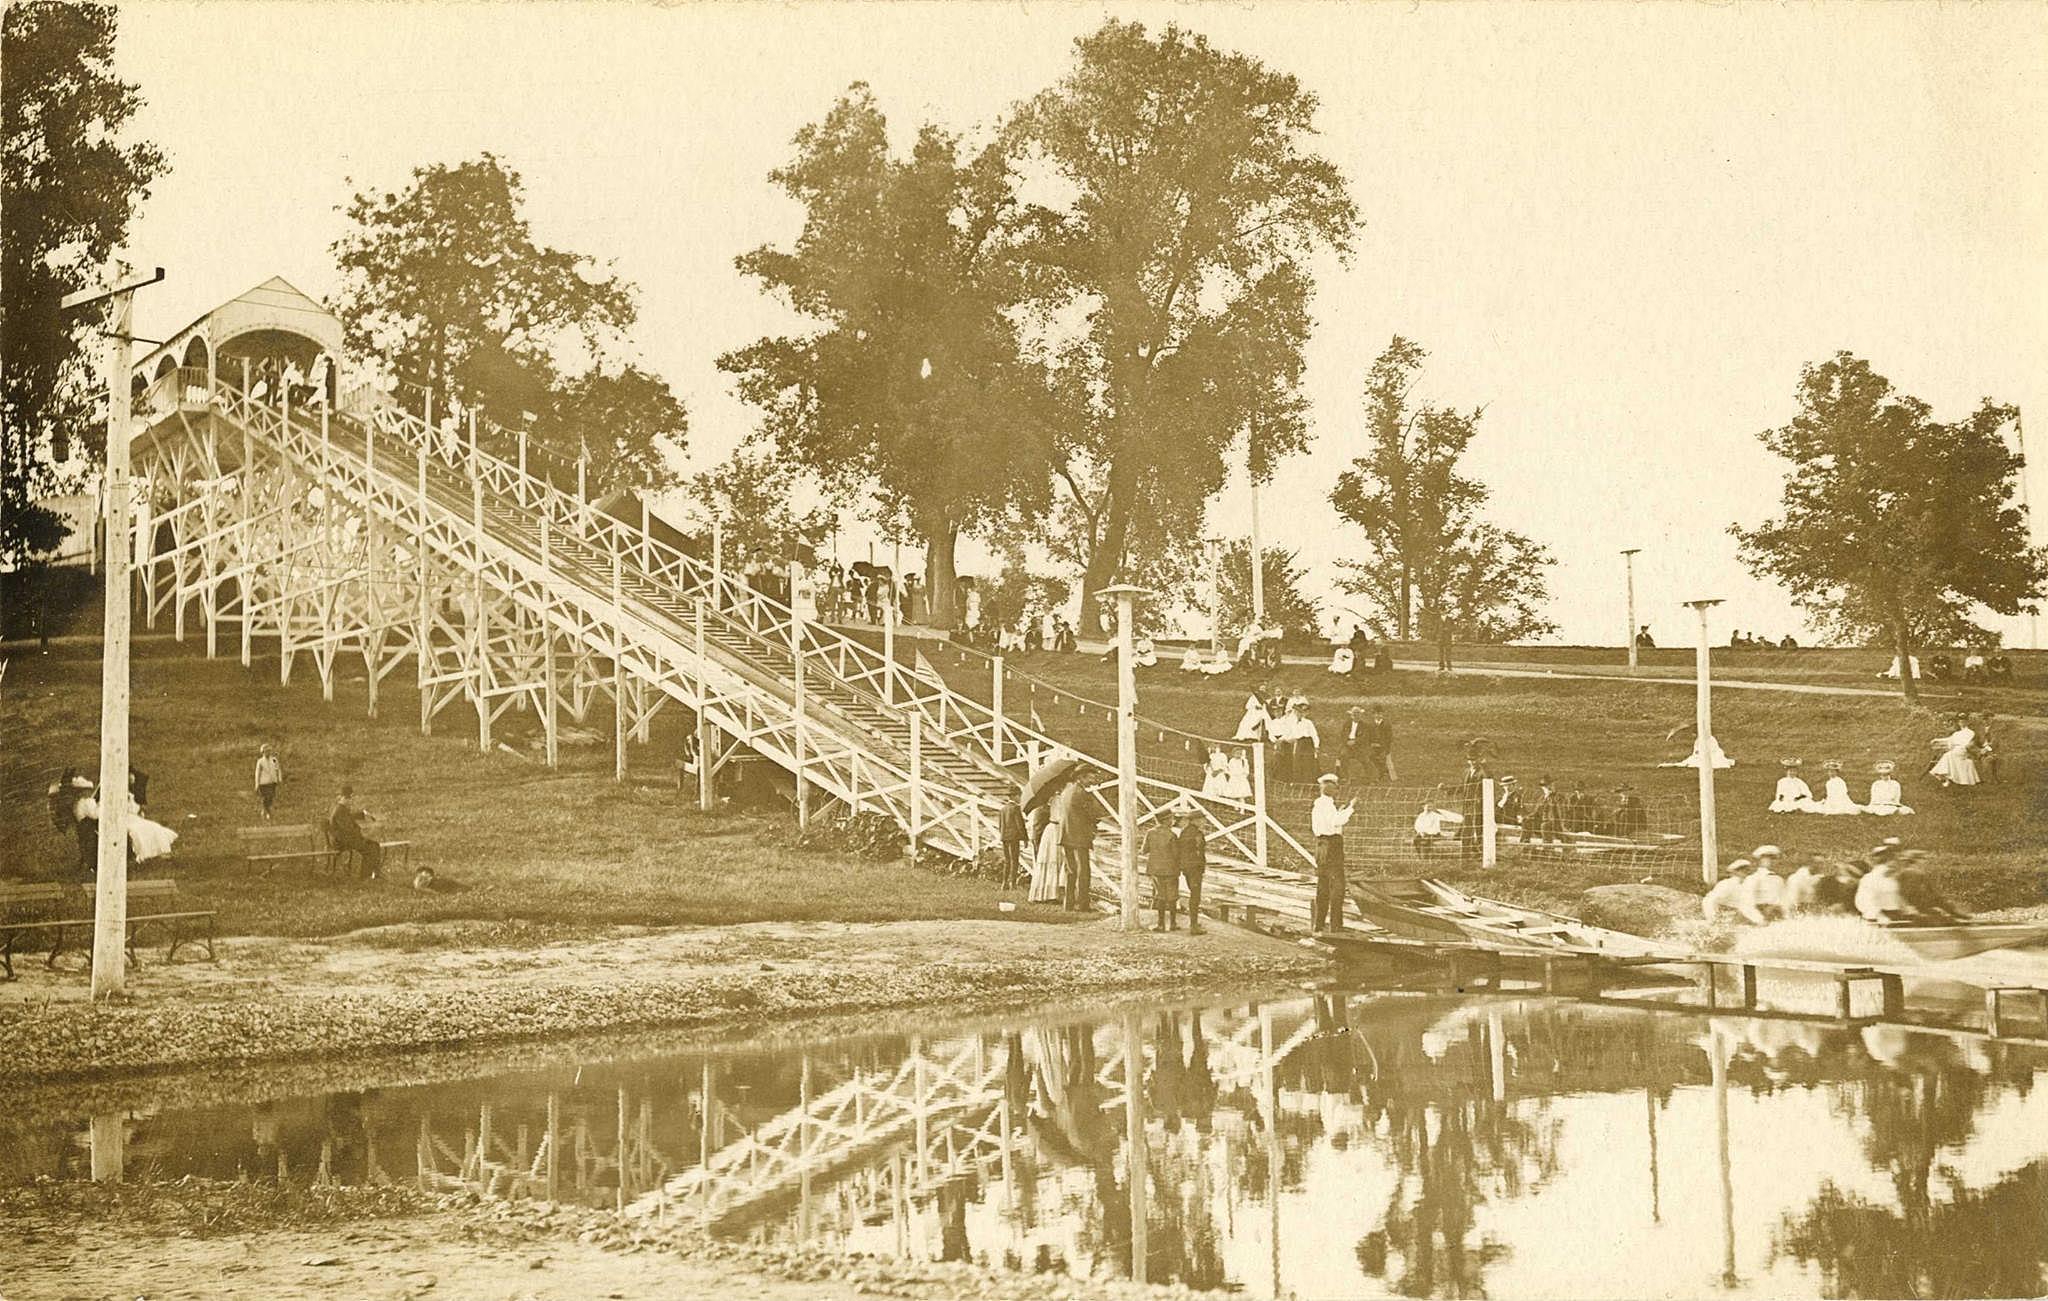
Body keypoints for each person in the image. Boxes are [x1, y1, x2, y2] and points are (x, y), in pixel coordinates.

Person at [1309, 774, 1354, 933]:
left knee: (1323, 885)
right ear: (1329, 788)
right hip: (1332, 846)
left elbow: (1329, 822)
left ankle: (1319, 924)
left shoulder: (1319, 805)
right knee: (1337, 885)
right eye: (1335, 787)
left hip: (1321, 845)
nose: (1337, 790)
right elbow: (1336, 823)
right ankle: (1336, 926)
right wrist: (1350, 809)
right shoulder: (1327, 805)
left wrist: (1340, 812)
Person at [1054, 777, 1097, 911]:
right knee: (1083, 870)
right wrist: (1094, 822)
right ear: (1081, 777)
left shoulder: (1066, 791)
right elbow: (1091, 814)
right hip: (1079, 836)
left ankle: (1068, 904)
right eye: (1089, 777)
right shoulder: (1081, 793)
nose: (1091, 780)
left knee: (1070, 870)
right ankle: (1083, 904)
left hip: (1066, 835)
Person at [329, 783, 384, 880]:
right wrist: (361, 834)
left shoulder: (343, 809)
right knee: (369, 849)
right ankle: (364, 877)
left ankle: (375, 875)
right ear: (342, 798)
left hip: (348, 839)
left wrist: (363, 814)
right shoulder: (339, 810)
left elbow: (350, 817)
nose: (349, 800)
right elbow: (348, 829)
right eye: (348, 798)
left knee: (375, 845)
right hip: (342, 841)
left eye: (350, 798)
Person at [1171, 802, 1207, 935]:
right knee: (1195, 896)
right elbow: (1198, 851)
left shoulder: (1185, 832)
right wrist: (1200, 866)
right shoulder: (1196, 833)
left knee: (1194, 895)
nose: (1204, 821)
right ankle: (1193, 926)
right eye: (1202, 819)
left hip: (1187, 868)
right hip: (1194, 868)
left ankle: (1194, 923)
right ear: (1195, 820)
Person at [1143, 812, 1182, 932]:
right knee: (1172, 896)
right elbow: (1176, 854)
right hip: (1170, 869)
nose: (1173, 821)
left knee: (1160, 896)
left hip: (1156, 869)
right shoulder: (1172, 835)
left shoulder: (1150, 833)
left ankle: (1160, 924)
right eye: (1171, 819)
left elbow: (1144, 850)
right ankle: (1173, 923)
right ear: (1166, 820)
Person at [1027, 795, 1064, 904]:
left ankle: (1046, 893)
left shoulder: (1052, 799)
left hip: (1051, 830)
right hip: (1055, 831)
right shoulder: (1058, 799)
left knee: (1050, 861)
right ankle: (1050, 895)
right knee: (1052, 861)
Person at [1928, 716, 1980, 788]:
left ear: (1968, 722)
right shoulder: (1957, 733)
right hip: (1956, 749)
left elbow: (1967, 744)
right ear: (1958, 723)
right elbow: (1949, 740)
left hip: (1963, 750)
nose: (1962, 723)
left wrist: (1961, 747)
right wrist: (1937, 740)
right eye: (1960, 721)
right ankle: (1946, 777)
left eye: (1964, 721)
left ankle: (1946, 777)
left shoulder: (1970, 732)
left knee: (1949, 755)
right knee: (1948, 755)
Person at [1738, 846, 1786, 923]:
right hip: (1759, 920)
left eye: (1775, 858)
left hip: (1778, 921)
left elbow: (1784, 903)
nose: (1772, 861)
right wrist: (1760, 920)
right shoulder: (1753, 879)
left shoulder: (1779, 880)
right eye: (1768, 858)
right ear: (1760, 860)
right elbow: (1745, 905)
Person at [1523, 776, 1566, 852]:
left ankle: (1547, 849)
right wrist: (1527, 817)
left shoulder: (1557, 797)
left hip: (1553, 823)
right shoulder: (1542, 798)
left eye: (1550, 786)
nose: (1548, 788)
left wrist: (1551, 797)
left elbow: (1560, 811)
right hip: (1542, 821)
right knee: (1527, 821)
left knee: (1545, 825)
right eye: (1545, 787)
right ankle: (1525, 845)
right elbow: (1536, 812)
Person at [998, 794, 1027, 892]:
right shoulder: (1016, 808)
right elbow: (1020, 825)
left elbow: (1000, 825)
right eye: (1018, 796)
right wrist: (1025, 838)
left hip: (1005, 837)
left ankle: (1004, 882)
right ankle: (1012, 884)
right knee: (1014, 861)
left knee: (1007, 861)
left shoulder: (1003, 809)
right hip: (1014, 838)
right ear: (1014, 796)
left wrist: (1003, 835)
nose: (1019, 798)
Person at [254, 743, 284, 821]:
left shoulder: (274, 759)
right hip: (263, 783)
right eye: (266, 751)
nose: (268, 752)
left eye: (269, 751)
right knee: (265, 798)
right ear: (262, 752)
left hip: (272, 782)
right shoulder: (260, 761)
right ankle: (268, 813)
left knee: (270, 797)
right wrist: (257, 784)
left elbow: (278, 769)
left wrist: (279, 779)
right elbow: (257, 773)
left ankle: (265, 810)